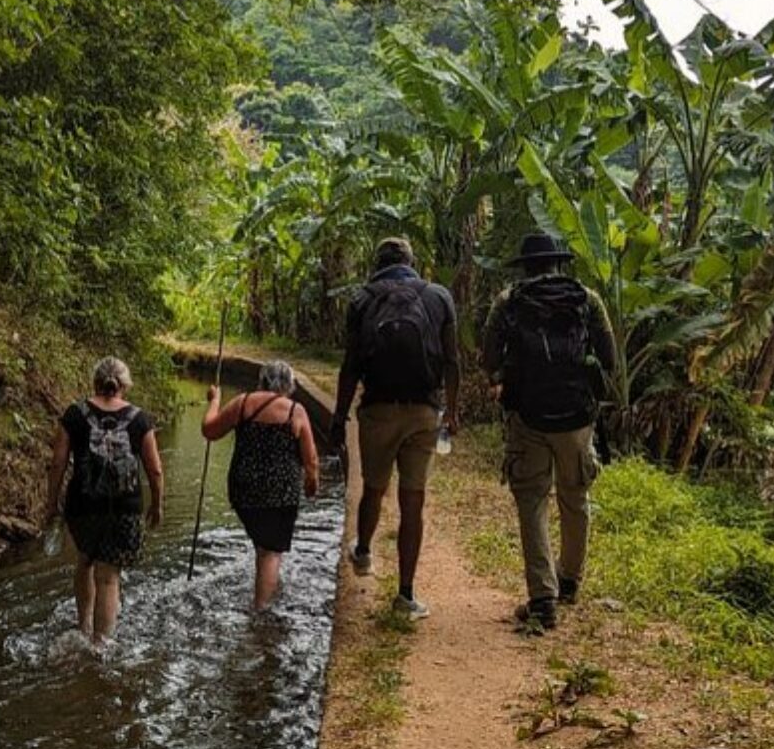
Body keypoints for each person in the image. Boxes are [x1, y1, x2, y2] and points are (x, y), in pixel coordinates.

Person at [482, 232, 616, 633]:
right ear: (558, 264)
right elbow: (608, 357)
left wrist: (504, 379)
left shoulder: (508, 301)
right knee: (576, 498)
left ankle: (543, 601)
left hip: (528, 415)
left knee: (532, 503)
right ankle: (570, 581)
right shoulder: (587, 298)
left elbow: (489, 356)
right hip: (577, 414)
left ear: (526, 267)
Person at [330, 238, 461, 620]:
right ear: (411, 262)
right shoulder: (439, 296)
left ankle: (365, 551)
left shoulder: (362, 300)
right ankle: (405, 596)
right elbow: (452, 361)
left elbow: (350, 365)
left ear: (378, 264)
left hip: (378, 411)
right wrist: (451, 411)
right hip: (424, 411)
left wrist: (339, 418)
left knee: (373, 488)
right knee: (413, 501)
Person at [44, 357, 164, 647]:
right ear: (124, 385)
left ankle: (83, 626)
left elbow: (58, 463)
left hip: (82, 507)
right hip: (124, 509)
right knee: (109, 577)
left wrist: (51, 504)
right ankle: (100, 646)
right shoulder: (140, 419)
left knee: (85, 560)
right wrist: (157, 504)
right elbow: (155, 470)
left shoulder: (74, 414)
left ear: (95, 383)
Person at [202, 359, 321, 610]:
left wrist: (214, 400)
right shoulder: (294, 411)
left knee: (263, 544)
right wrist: (311, 486)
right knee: (270, 552)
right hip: (280, 495)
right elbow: (311, 461)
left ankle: (264, 590)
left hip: (243, 492)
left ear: (262, 381)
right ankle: (262, 611)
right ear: (289, 385)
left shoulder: (243, 403)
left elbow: (209, 431)